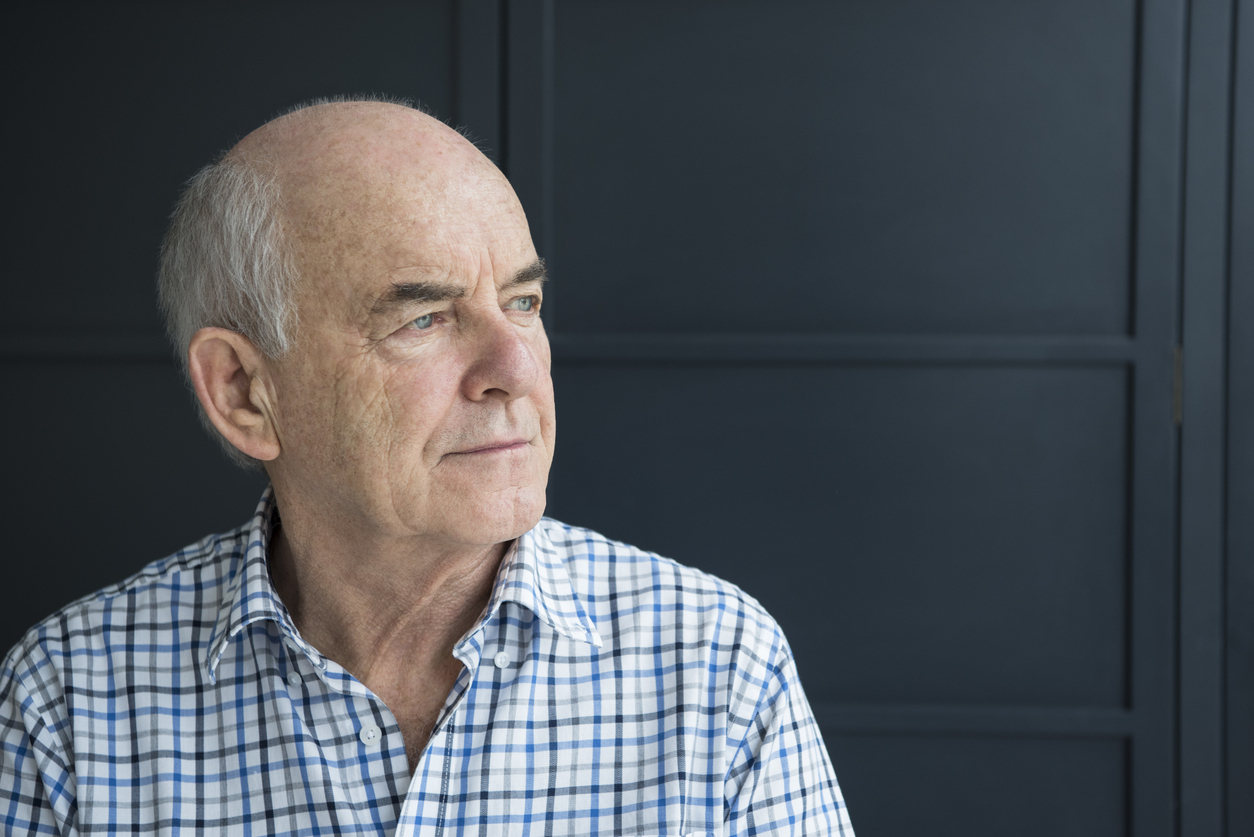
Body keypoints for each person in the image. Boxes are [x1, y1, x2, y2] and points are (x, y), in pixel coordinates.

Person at [0, 98, 853, 836]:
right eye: (425, 320)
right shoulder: (69, 701)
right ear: (246, 393)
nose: (516, 370)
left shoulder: (718, 667)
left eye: (523, 303)